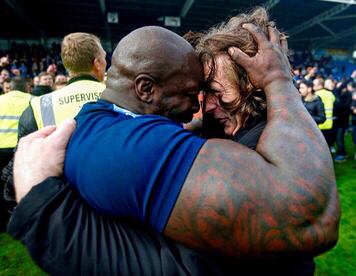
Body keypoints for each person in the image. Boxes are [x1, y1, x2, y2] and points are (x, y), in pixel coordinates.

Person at [9, 12, 339, 274]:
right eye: (197, 93)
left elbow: (308, 218)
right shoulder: (208, 136)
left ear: (255, 84)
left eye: (213, 90)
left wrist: (278, 81)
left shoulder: (268, 143)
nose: (199, 107)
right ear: (145, 88)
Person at [1, 32, 107, 204]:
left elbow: (22, 162)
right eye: (104, 58)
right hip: (109, 194)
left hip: (59, 200)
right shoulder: (122, 99)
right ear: (97, 64)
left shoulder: (39, 105)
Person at [0, 77, 31, 231]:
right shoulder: (34, 100)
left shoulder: (1, 100)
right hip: (20, 149)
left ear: (10, 87)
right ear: (27, 87)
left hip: (0, 148)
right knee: (19, 187)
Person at [313, 77, 336, 152]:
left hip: (319, 124)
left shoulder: (315, 95)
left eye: (314, 85)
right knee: (327, 144)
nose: (313, 86)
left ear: (320, 85)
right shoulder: (330, 94)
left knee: (318, 146)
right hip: (329, 123)